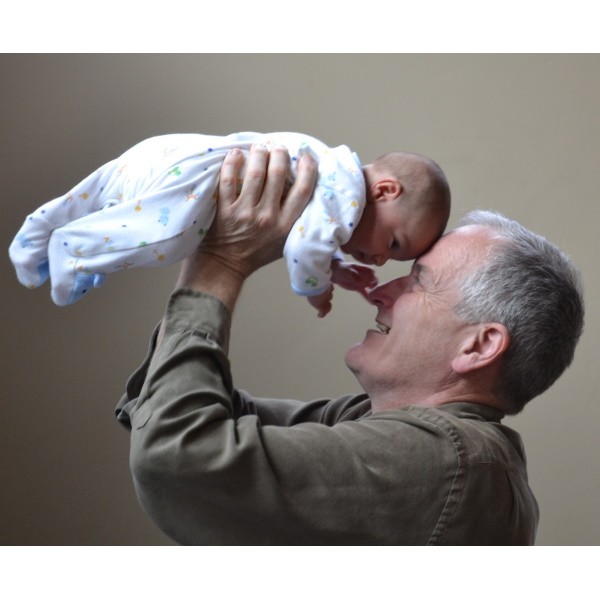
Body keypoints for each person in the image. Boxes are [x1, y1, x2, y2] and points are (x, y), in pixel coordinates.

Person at [116, 146, 584, 545]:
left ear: (479, 346)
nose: (380, 290)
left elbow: (173, 455)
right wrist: (229, 238)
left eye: (417, 282)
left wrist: (220, 260)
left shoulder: (443, 459)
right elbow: (166, 407)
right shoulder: (383, 426)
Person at [8, 132, 450, 315]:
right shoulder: (345, 193)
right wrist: (316, 289)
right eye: (394, 244)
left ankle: (37, 239)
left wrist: (336, 266)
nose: (380, 258)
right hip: (194, 182)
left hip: (172, 154)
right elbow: (301, 251)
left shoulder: (333, 170)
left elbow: (310, 232)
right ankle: (74, 250)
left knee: (99, 195)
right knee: (170, 240)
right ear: (385, 191)